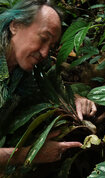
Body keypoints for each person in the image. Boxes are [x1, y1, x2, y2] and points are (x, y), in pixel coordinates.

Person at [0, 0, 97, 165]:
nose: (45, 52)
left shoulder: (31, 62)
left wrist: (74, 99)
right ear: (15, 26)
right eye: (43, 38)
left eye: (51, 46)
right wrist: (30, 155)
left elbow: (51, 87)